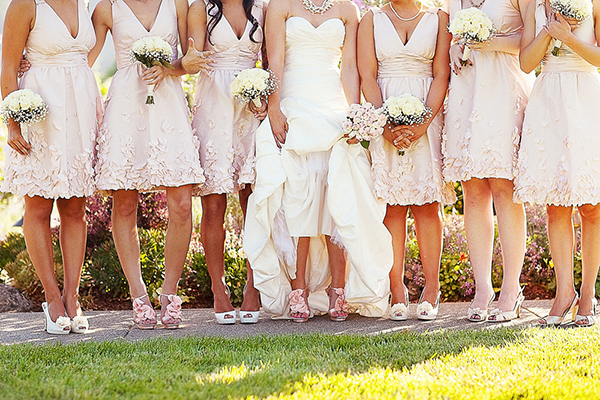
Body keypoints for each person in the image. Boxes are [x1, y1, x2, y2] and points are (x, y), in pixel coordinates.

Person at [244, 0, 393, 321]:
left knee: (336, 186)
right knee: (297, 186)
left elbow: (349, 67)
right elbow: (276, 62)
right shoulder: (280, 5)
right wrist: (274, 108)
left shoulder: (347, 10)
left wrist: (354, 115)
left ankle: (337, 288)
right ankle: (297, 288)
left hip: (332, 104)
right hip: (294, 99)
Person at [90, 0, 205, 329]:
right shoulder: (106, 8)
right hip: (126, 109)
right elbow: (84, 61)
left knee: (182, 204)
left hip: (168, 106)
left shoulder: (176, 4)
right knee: (125, 205)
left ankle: (170, 291)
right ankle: (138, 295)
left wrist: (174, 66)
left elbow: (189, 61)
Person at [1, 0, 102, 334]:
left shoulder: (85, 3)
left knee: (76, 208)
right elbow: (7, 66)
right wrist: (13, 122)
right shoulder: (25, 5)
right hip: (38, 113)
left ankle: (72, 296)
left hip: (79, 112)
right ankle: (52, 297)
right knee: (39, 206)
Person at [358, 0, 454, 321]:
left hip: (427, 114)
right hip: (383, 113)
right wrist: (385, 126)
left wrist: (423, 124)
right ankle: (396, 287)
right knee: (393, 205)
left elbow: (441, 73)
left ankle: (431, 287)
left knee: (427, 203)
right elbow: (367, 76)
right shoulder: (370, 18)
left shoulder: (438, 17)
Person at [443, 0, 531, 322]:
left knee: (504, 188)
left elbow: (528, 41)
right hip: (467, 89)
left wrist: (486, 42)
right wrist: (456, 46)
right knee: (473, 189)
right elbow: (453, 36)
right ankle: (483, 288)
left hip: (504, 89)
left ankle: (511, 288)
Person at [516, 0, 600, 326]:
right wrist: (548, 34)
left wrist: (569, 36)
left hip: (585, 98)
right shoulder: (535, 3)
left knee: (592, 205)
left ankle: (589, 292)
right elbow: (525, 63)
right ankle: (565, 291)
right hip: (548, 98)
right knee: (555, 204)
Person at [185, 0, 266, 324]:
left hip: (251, 109)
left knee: (254, 201)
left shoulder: (262, 7)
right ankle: (218, 289)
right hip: (214, 107)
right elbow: (193, 61)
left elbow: (272, 61)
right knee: (214, 205)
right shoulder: (200, 9)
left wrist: (267, 98)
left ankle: (253, 285)